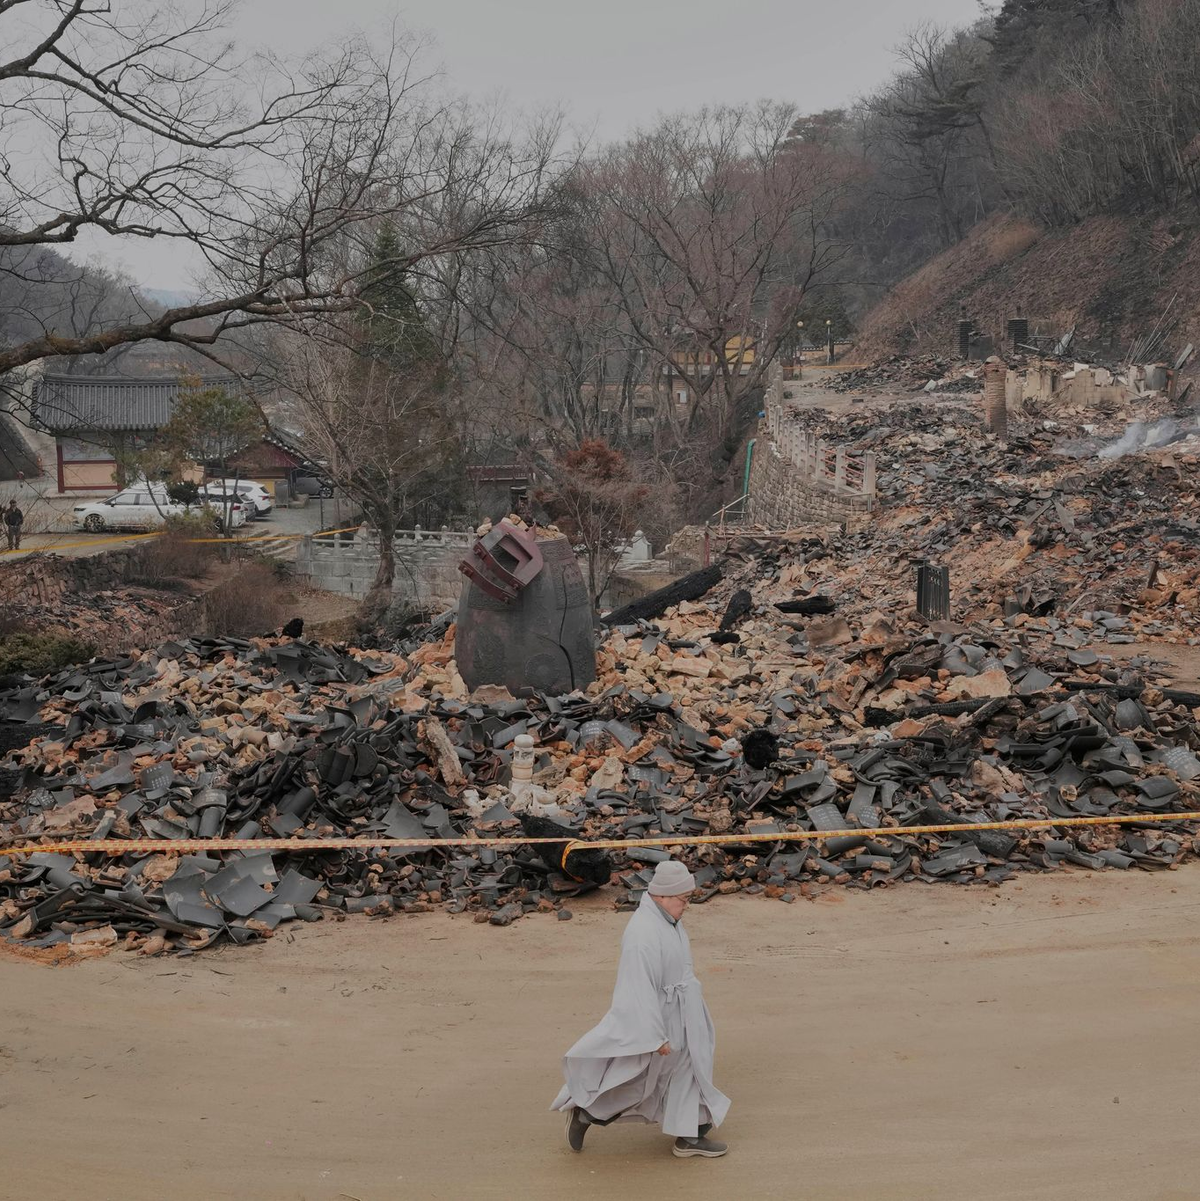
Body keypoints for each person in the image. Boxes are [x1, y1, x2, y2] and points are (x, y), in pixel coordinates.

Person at [552, 859, 730, 1159]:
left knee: (692, 1067)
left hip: (684, 1009)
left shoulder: (667, 919)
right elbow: (635, 988)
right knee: (639, 1077)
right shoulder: (642, 934)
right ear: (662, 896)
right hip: (660, 1017)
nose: (686, 906)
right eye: (683, 900)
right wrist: (654, 1036)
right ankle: (588, 1113)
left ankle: (690, 1136)